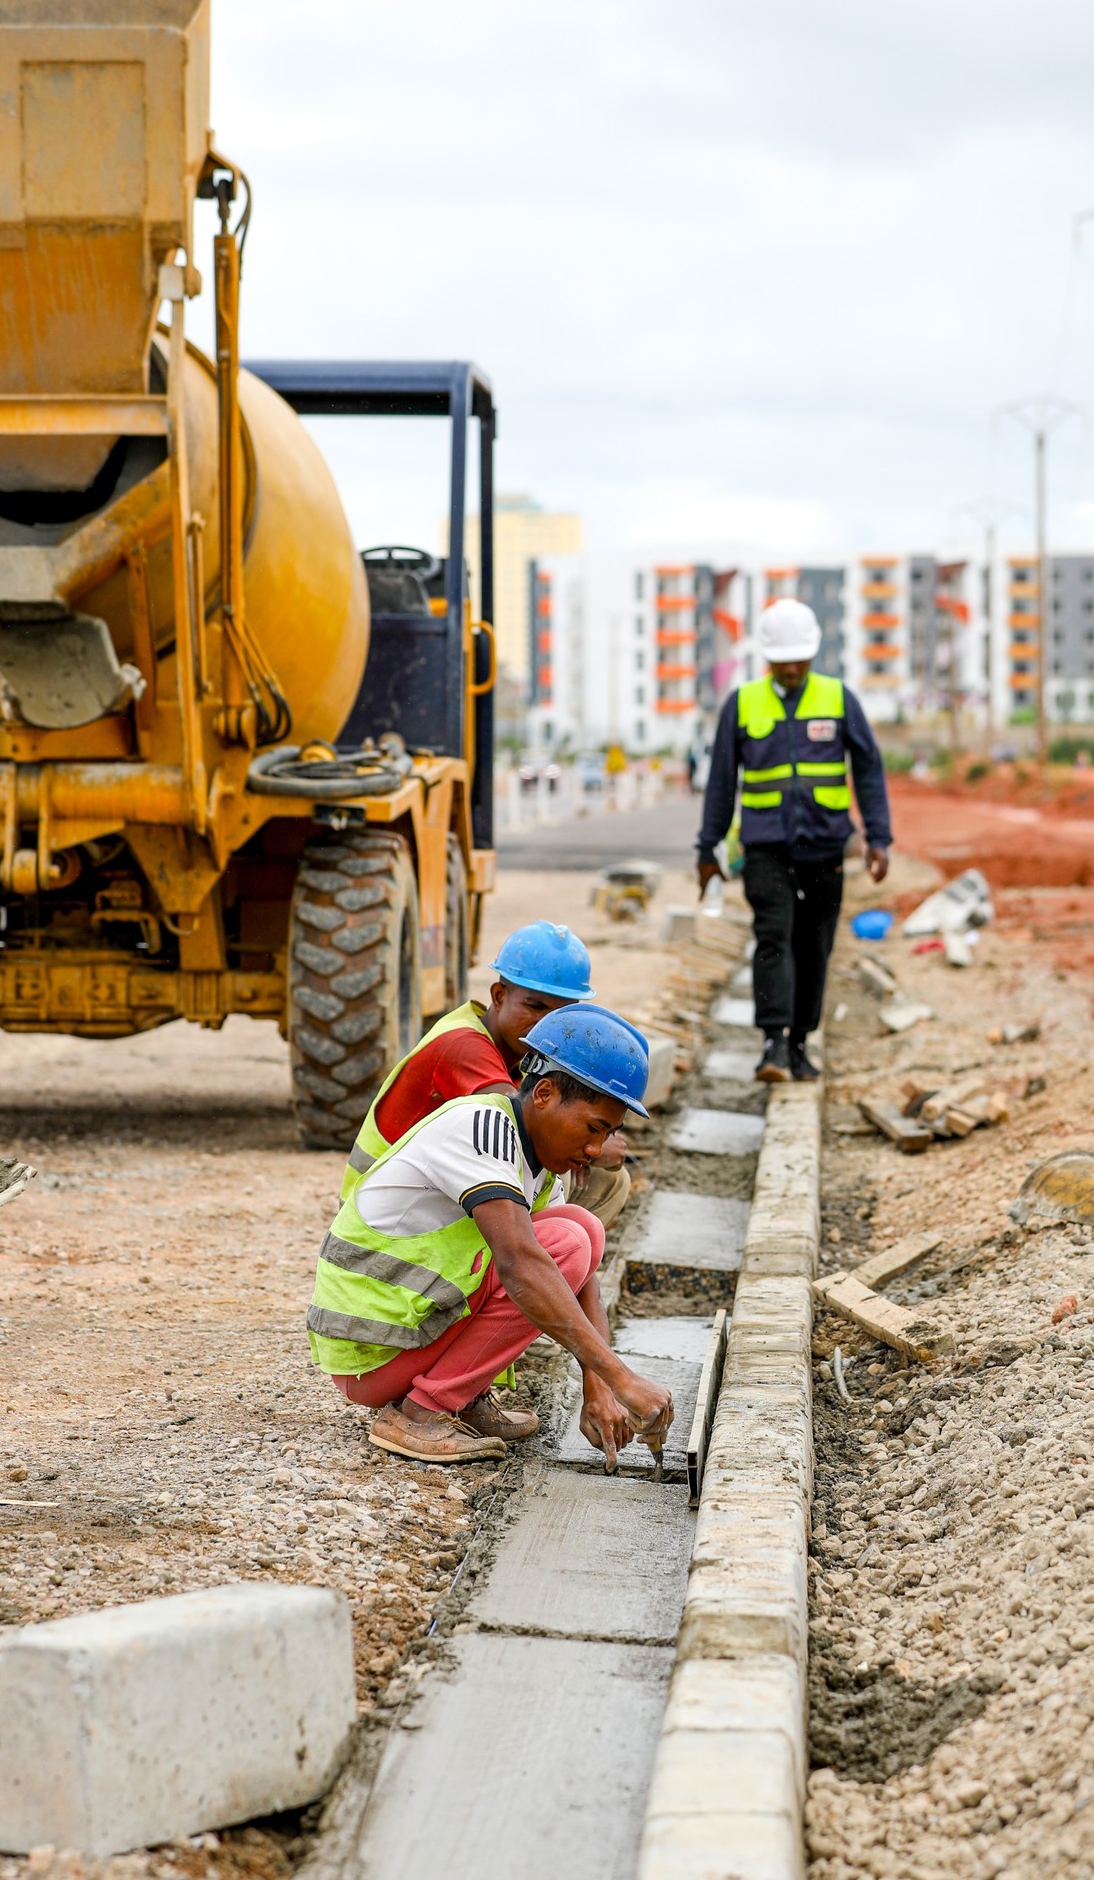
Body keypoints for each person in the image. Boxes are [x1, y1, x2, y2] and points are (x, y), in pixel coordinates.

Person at [309, 1004, 673, 1466]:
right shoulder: (483, 1128)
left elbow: (583, 1281)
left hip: (407, 1333)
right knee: (562, 1246)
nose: (596, 1149)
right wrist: (623, 1378)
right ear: (543, 1094)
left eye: (610, 1133)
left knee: (583, 1230)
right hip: (370, 1350)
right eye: (593, 1128)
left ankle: (455, 1394)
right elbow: (521, 1262)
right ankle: (424, 1412)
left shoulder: (538, 1162)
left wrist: (600, 1389)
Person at [696, 598, 893, 1082]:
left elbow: (868, 771)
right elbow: (721, 782)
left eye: (798, 660)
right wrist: (708, 848)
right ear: (767, 658)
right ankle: (773, 1045)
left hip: (825, 848)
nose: (790, 669)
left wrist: (878, 837)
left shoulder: (839, 699)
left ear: (813, 655)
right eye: (782, 661)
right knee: (773, 938)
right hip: (765, 849)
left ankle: (801, 1044)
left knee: (815, 946)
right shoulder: (742, 704)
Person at [341, 921, 633, 1229]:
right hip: (381, 1213)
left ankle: (550, 1266)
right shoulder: (463, 1045)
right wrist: (591, 1146)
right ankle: (529, 1266)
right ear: (499, 996)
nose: (547, 1025)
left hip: (423, 1195)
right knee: (552, 1153)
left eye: (560, 1016)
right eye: (535, 1007)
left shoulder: (522, 1052)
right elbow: (516, 1128)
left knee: (601, 1177)